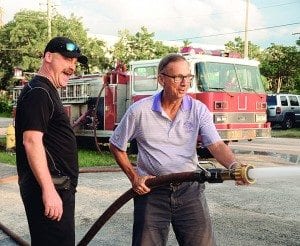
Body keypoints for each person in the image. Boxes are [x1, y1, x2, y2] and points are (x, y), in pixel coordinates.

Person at [109, 53, 246, 246]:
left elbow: (215, 144)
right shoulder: (139, 111)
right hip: (151, 192)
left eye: (188, 77)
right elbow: (116, 145)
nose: (184, 83)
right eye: (177, 77)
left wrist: (234, 166)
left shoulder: (198, 110)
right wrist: (134, 177)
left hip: (189, 190)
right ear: (161, 79)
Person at [15, 36, 87, 245]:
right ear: (48, 57)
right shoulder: (39, 92)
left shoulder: (45, 90)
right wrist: (49, 190)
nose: (72, 67)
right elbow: (31, 141)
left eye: (74, 62)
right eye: (66, 59)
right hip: (49, 188)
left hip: (57, 186)